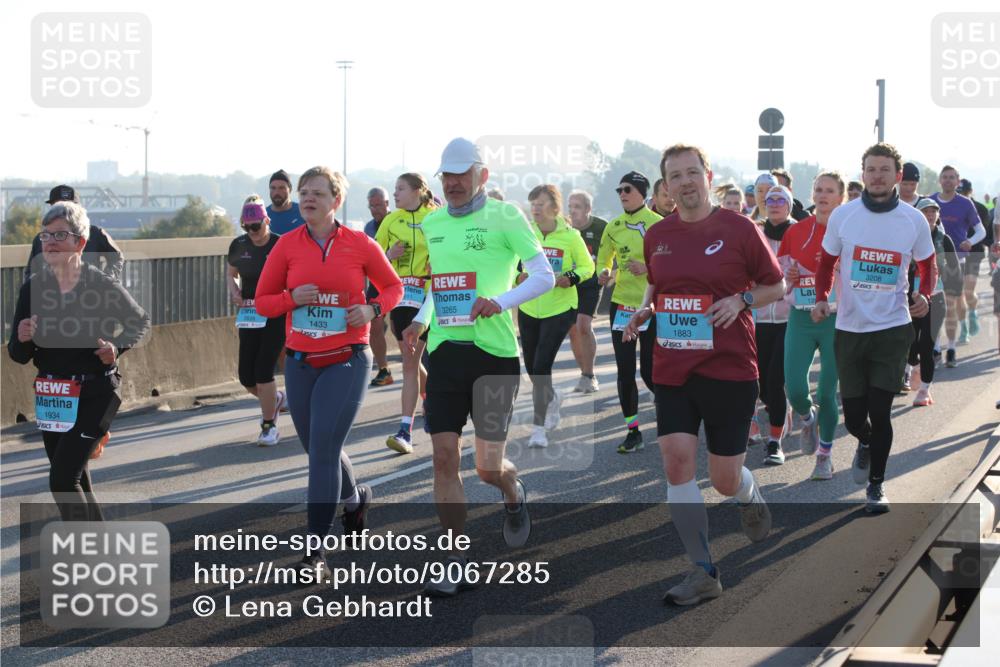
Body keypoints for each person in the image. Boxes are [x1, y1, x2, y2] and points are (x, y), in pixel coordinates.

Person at [624, 143, 783, 606]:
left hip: (729, 368)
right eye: (676, 176)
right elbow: (658, 284)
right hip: (673, 366)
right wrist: (644, 310)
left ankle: (748, 492)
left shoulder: (740, 229)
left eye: (693, 172)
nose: (686, 182)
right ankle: (703, 570)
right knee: (675, 463)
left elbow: (776, 285)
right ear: (666, 186)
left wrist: (742, 301)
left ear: (709, 176)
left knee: (724, 480)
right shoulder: (658, 235)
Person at [401, 138, 554, 596]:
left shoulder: (506, 217)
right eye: (446, 177)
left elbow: (543, 274)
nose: (452, 184)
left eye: (461, 175)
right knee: (444, 458)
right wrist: (420, 321)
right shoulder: (433, 223)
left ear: (481, 176)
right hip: (446, 355)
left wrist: (500, 302)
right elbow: (439, 287)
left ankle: (512, 491)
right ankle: (453, 561)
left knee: (487, 468)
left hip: (494, 357)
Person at [255, 166, 403, 576]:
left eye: (318, 193)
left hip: (347, 359)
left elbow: (394, 288)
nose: (308, 198)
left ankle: (314, 550)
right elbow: (262, 301)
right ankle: (354, 499)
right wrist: (290, 298)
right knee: (321, 449)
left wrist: (372, 308)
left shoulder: (360, 244)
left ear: (336, 201)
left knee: (320, 450)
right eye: (304, 192)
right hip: (301, 363)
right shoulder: (285, 246)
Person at [812, 142, 936, 513]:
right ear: (862, 174)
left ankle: (877, 486)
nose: (877, 176)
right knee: (853, 418)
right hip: (850, 329)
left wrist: (924, 296)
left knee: (880, 412)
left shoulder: (912, 220)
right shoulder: (843, 216)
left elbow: (928, 267)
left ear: (897, 176)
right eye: (871, 169)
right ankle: (864, 441)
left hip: (893, 328)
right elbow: (825, 264)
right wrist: (821, 296)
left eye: (885, 170)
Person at [8, 201, 150, 521]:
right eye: (45, 236)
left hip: (96, 393)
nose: (50, 242)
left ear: (80, 243)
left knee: (61, 481)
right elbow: (18, 355)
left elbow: (139, 323)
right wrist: (23, 336)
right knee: (75, 477)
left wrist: (116, 347)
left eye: (60, 235)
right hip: (53, 397)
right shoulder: (33, 288)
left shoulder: (99, 284)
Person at [777, 172, 845, 480]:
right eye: (819, 189)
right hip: (801, 317)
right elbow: (780, 278)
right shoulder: (795, 231)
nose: (823, 195)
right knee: (794, 387)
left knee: (828, 393)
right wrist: (788, 278)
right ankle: (807, 418)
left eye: (830, 190)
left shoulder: (849, 231)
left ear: (840, 197)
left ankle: (825, 456)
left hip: (835, 319)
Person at [518, 185, 594, 448]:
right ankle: (552, 399)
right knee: (531, 367)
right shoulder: (527, 233)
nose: (535, 209)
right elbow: (516, 263)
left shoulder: (570, 236)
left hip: (560, 309)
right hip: (529, 307)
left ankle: (538, 429)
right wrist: (518, 275)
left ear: (554, 206)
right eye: (533, 204)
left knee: (541, 367)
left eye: (540, 203)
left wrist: (570, 278)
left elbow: (587, 266)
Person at [596, 171, 663, 453]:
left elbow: (673, 263)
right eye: (619, 190)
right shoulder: (613, 226)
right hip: (621, 304)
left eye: (627, 189)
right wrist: (604, 270)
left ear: (641, 193)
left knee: (649, 371)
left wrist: (648, 269)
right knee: (624, 372)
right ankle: (633, 431)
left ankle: (672, 409)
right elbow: (603, 258)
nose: (622, 194)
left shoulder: (659, 225)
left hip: (651, 307)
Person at [375, 174, 436, 454]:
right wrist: (390, 253)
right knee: (411, 361)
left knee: (415, 361)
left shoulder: (437, 217)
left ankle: (428, 404)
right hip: (402, 298)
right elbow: (373, 261)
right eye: (394, 187)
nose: (395, 193)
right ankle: (405, 430)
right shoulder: (391, 220)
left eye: (400, 188)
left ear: (417, 191)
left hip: (431, 297)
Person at [227, 196, 287, 446]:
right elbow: (231, 272)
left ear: (267, 221)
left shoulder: (281, 244)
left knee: (264, 371)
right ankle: (277, 399)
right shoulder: (239, 245)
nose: (253, 232)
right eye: (247, 227)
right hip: (250, 314)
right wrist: (233, 290)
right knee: (246, 377)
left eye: (257, 226)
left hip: (275, 312)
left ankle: (268, 426)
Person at [752, 185, 794, 465]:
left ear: (789, 205)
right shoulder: (755, 234)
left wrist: (795, 275)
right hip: (758, 318)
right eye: (770, 200)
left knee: (775, 380)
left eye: (781, 199)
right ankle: (782, 410)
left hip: (790, 318)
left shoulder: (799, 233)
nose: (775, 204)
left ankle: (774, 442)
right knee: (762, 386)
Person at [906, 198, 961, 403]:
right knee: (910, 341)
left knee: (926, 344)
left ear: (938, 216)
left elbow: (955, 268)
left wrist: (953, 286)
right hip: (912, 298)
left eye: (933, 211)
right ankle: (910, 367)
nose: (930, 215)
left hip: (936, 299)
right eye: (925, 211)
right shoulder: (908, 238)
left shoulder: (944, 239)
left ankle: (925, 390)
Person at [25, 185, 124, 284]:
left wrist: (105, 281)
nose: (62, 212)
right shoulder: (41, 239)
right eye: (57, 207)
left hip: (89, 294)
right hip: (53, 296)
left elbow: (116, 257)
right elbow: (31, 271)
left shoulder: (95, 233)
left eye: (69, 207)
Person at [931, 166, 986, 344]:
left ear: (957, 181)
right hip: (932, 260)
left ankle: (964, 326)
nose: (947, 180)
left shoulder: (965, 203)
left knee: (955, 299)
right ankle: (936, 343)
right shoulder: (930, 202)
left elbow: (981, 231)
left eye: (951, 177)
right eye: (944, 177)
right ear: (940, 180)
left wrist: (970, 241)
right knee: (937, 302)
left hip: (957, 258)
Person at [566, 191, 607, 393]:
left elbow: (613, 254)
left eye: (577, 207)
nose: (572, 211)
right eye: (570, 207)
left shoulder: (602, 227)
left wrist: (607, 271)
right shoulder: (564, 228)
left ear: (588, 209)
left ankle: (589, 375)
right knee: (573, 330)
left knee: (583, 325)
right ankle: (584, 374)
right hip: (570, 283)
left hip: (591, 282)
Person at [364, 187, 394, 386]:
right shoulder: (368, 228)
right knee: (374, 326)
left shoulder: (398, 222)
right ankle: (384, 370)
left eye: (379, 205)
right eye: (372, 205)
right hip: (377, 281)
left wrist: (388, 256)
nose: (376, 209)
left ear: (387, 204)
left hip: (401, 281)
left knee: (399, 327)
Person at [266, 169, 303, 235]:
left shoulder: (303, 212)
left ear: (290, 189)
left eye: (281, 188)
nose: (277, 192)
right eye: (273, 188)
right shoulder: (263, 215)